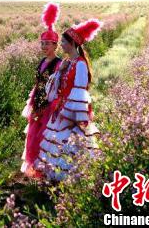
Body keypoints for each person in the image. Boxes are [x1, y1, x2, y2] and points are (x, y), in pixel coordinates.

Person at [37, 18, 102, 182]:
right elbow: (54, 86)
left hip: (72, 113)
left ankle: (72, 181)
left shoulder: (80, 64)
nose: (62, 45)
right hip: (61, 109)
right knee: (59, 144)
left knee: (70, 145)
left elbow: (80, 92)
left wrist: (76, 116)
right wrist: (60, 72)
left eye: (64, 42)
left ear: (72, 43)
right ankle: (58, 180)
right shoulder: (67, 62)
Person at [20, 3, 63, 178]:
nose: (44, 47)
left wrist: (51, 105)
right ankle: (35, 168)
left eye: (47, 44)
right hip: (37, 102)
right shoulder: (42, 61)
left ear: (55, 45)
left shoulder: (58, 63)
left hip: (49, 105)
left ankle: (45, 171)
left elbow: (58, 87)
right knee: (32, 135)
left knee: (43, 137)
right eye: (42, 43)